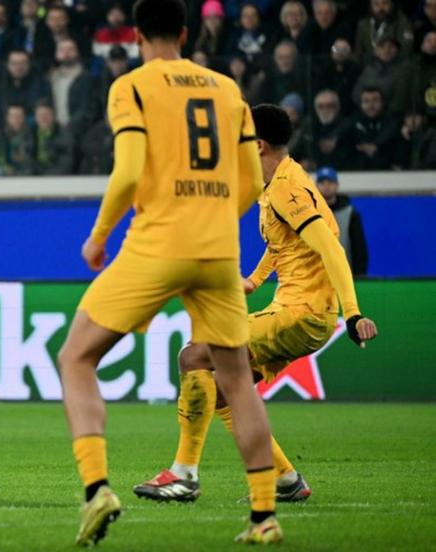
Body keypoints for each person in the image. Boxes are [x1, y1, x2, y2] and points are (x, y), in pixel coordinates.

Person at [58, 0, 280, 545]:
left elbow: (130, 169)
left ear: (137, 35)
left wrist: (99, 235)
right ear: (185, 33)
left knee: (77, 356)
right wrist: (211, 217)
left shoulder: (131, 86)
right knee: (238, 384)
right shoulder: (229, 90)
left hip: (157, 244)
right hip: (219, 251)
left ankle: (96, 490)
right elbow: (253, 181)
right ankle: (263, 517)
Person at [132, 105, 378, 512]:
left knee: (195, 355)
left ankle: (183, 474)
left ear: (258, 144)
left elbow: (330, 247)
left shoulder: (287, 188)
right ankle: (285, 479)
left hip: (303, 313)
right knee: (226, 387)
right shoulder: (281, 181)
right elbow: (285, 244)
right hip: (297, 309)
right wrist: (256, 280)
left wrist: (352, 313)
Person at [315, 167, 369, 276]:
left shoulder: (350, 213)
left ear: (337, 185)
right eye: (322, 183)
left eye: (330, 182)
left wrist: (359, 274)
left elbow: (359, 247)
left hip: (344, 275)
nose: (326, 186)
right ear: (316, 186)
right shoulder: (309, 212)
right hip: (315, 274)